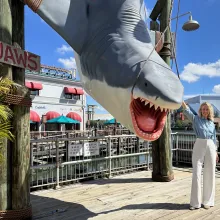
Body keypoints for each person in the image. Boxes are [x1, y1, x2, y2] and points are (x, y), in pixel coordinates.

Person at [182, 101, 219, 210]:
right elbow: (187, 111)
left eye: (206, 109)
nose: (205, 111)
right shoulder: (195, 119)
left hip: (211, 146)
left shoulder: (212, 123)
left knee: (210, 173)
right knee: (196, 174)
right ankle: (195, 203)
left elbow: (214, 138)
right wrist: (182, 101)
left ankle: (208, 201)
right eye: (203, 109)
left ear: (209, 111)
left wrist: (216, 151)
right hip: (199, 144)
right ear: (200, 110)